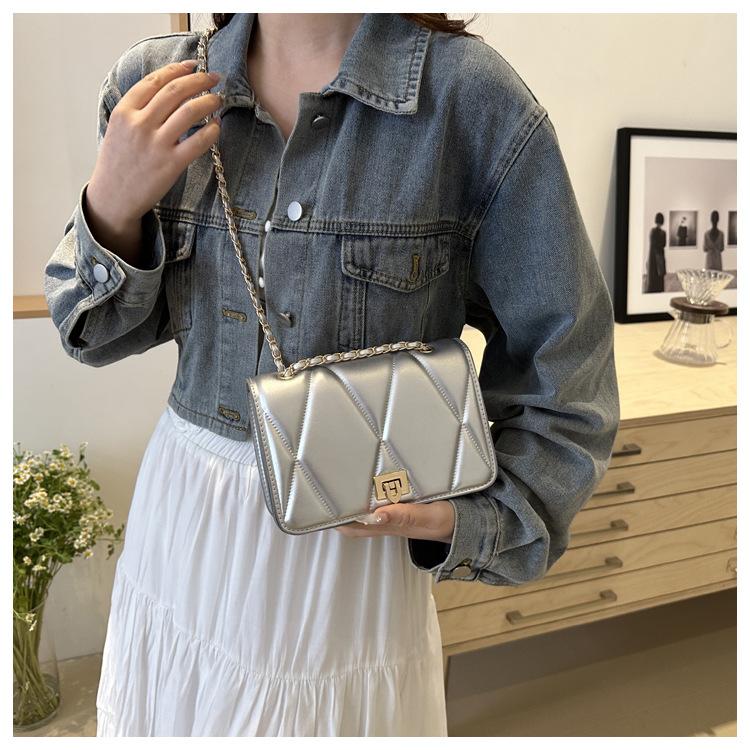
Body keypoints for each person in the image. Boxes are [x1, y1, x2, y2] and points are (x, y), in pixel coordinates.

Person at [43, 12, 620, 737]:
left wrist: (477, 519)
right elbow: (91, 334)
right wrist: (112, 206)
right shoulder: (157, 84)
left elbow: (568, 370)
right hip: (184, 526)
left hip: (347, 558)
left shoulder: (469, 101)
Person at [645, 211, 667, 292]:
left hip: (655, 256)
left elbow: (660, 244)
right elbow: (662, 244)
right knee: (657, 275)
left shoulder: (655, 232)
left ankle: (654, 289)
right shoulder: (661, 233)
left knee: (655, 276)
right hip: (657, 256)